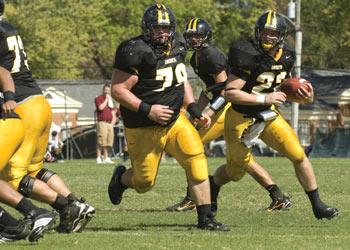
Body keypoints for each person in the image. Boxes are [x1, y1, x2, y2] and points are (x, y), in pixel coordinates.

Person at [108, 4, 229, 231]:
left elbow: (180, 79)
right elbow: (118, 90)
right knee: (144, 183)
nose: (162, 33)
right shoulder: (134, 50)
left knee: (196, 159)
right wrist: (148, 109)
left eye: (166, 28)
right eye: (156, 28)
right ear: (146, 29)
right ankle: (120, 180)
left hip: (175, 120)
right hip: (143, 125)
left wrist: (193, 109)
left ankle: (205, 218)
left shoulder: (179, 44)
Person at [211, 10, 338, 220]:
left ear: (281, 35)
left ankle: (318, 205)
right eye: (264, 33)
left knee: (298, 155)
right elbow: (230, 93)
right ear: (257, 33)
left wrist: (304, 98)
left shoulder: (287, 55)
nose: (267, 37)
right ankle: (213, 184)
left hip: (268, 116)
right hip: (241, 118)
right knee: (235, 172)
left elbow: (284, 86)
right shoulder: (247, 53)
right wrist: (264, 99)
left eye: (272, 33)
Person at [167, 18, 291, 213]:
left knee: (189, 146)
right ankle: (277, 195)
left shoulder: (210, 55)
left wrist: (207, 112)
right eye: (191, 36)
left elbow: (225, 91)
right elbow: (208, 90)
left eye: (198, 36)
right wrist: (196, 112)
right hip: (218, 107)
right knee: (238, 160)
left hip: (225, 109)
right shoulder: (196, 57)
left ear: (206, 36)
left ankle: (192, 197)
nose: (193, 40)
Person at [0, 1, 95, 233]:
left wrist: (9, 96)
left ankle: (63, 207)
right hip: (39, 102)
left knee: (13, 176)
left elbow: (3, 71)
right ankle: (75, 204)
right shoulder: (8, 27)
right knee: (34, 169)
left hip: (20, 106)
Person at [0, 66, 57, 243]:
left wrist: (9, 97)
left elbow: (3, 72)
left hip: (5, 123)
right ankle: (31, 215)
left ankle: (14, 225)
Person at [95, 84, 116, 164]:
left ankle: (106, 157)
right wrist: (106, 100)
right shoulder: (99, 98)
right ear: (103, 90)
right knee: (101, 140)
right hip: (102, 122)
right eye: (106, 90)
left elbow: (113, 112)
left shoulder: (111, 100)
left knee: (108, 141)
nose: (107, 92)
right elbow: (100, 108)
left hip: (109, 123)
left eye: (108, 90)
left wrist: (112, 122)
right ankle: (98, 157)